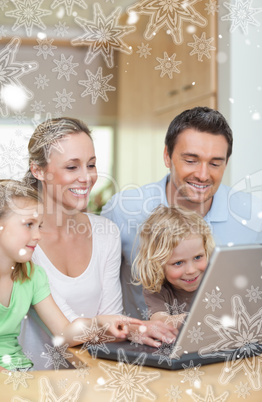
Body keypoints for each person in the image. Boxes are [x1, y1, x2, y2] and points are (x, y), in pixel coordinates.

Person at [19, 117, 177, 369]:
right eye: (72, 167)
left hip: (91, 375)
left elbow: (111, 317)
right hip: (35, 383)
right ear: (38, 171)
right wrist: (123, 327)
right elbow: (67, 329)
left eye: (91, 165)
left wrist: (137, 330)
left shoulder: (105, 232)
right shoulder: (25, 239)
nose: (86, 178)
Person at [101, 106, 262, 319]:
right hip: (142, 348)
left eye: (215, 163)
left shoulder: (252, 213)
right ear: (167, 157)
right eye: (190, 161)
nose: (202, 174)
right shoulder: (123, 210)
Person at [0, 179, 141, 371]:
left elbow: (65, 332)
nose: (37, 235)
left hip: (20, 374)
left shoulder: (32, 276)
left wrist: (98, 323)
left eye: (39, 226)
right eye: (29, 224)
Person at [132, 205, 215, 328]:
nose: (191, 270)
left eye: (198, 257)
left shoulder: (216, 278)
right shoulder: (157, 289)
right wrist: (200, 317)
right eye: (178, 263)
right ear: (158, 264)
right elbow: (160, 321)